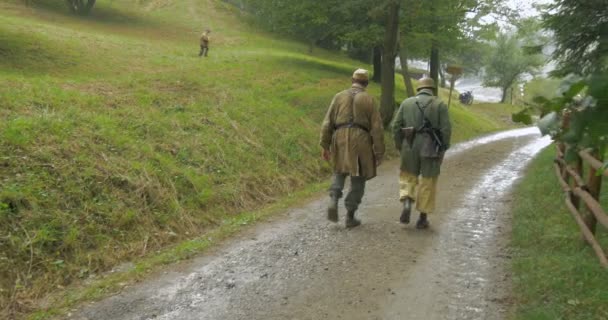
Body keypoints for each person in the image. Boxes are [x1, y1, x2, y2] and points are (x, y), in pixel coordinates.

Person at [319, 69, 385, 228]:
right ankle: (350, 216)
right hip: (361, 139)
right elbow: (377, 128)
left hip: (339, 136)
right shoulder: (369, 99)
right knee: (358, 176)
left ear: (352, 80)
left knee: (339, 170)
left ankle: (334, 199)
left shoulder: (339, 96)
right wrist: (379, 151)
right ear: (366, 83)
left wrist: (325, 145)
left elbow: (327, 123)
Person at [391, 77, 452, 229]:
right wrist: (443, 148)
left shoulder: (406, 103)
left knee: (408, 176)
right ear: (433, 89)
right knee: (428, 181)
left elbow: (395, 126)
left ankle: (406, 203)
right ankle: (422, 218)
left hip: (409, 145)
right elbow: (446, 129)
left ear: (419, 89)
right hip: (430, 147)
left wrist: (400, 145)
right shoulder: (440, 104)